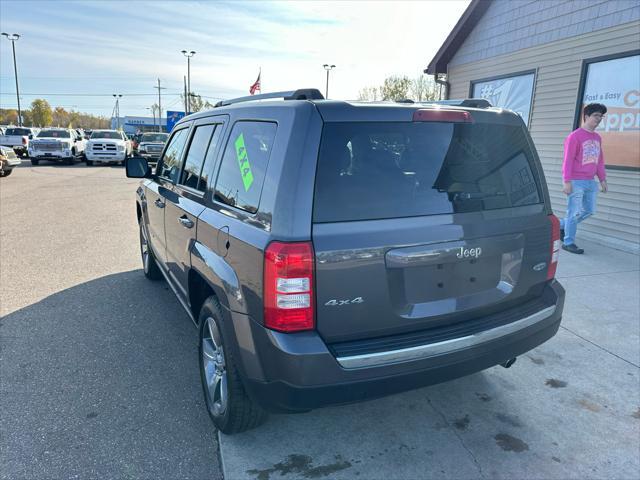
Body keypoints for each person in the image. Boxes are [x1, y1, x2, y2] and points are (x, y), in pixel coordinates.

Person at [560, 103, 608, 254]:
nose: (599, 119)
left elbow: (599, 160)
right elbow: (567, 160)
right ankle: (568, 242)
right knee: (573, 212)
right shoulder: (575, 136)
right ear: (586, 116)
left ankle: (563, 225)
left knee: (589, 210)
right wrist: (566, 181)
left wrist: (602, 179)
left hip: (590, 181)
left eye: (601, 116)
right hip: (576, 180)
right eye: (596, 115)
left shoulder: (597, 138)